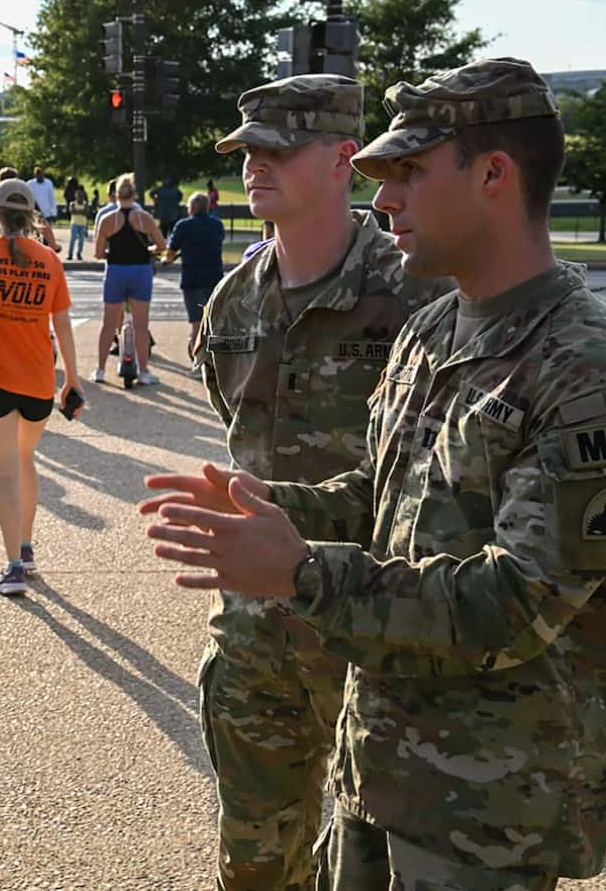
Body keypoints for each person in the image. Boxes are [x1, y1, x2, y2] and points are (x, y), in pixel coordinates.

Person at [144, 58, 606, 890]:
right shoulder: (433, 329)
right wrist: (269, 506)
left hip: (489, 810)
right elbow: (382, 499)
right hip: (384, 766)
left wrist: (299, 571)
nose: (384, 198)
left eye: (409, 173)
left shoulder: (592, 372)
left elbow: (515, 604)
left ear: (495, 174)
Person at [172, 74, 451, 890]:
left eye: (277, 149)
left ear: (342, 159)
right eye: (246, 151)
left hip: (381, 628)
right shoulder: (231, 305)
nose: (253, 166)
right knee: (256, 862)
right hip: (258, 635)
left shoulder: (417, 295)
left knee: (380, 867)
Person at [0, 178, 81, 597]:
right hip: (40, 378)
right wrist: (73, 382)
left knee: (5, 473)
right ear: (31, 214)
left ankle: (13, 567)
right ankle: (25, 548)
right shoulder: (49, 259)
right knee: (26, 461)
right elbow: (61, 325)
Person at [92, 173, 166, 386]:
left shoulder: (107, 220)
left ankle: (100, 369)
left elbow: (98, 253)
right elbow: (161, 245)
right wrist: (149, 249)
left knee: (108, 324)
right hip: (141, 271)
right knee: (141, 326)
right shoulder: (145, 218)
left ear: (115, 196)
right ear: (134, 195)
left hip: (116, 271)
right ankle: (143, 371)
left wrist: (111, 253)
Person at [162, 191, 227, 375]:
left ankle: (198, 363)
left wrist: (167, 259)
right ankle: (215, 362)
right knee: (213, 321)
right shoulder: (216, 225)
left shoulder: (183, 226)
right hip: (214, 278)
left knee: (196, 324)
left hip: (192, 279)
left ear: (191, 208)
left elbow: (171, 251)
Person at [67, 186, 91, 260]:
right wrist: (81, 212)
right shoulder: (72, 203)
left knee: (81, 241)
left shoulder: (85, 204)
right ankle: (70, 254)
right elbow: (72, 211)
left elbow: (86, 213)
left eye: (81, 195)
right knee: (73, 239)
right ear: (75, 196)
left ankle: (79, 254)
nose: (79, 197)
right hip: (74, 224)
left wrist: (78, 212)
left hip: (83, 224)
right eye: (78, 195)